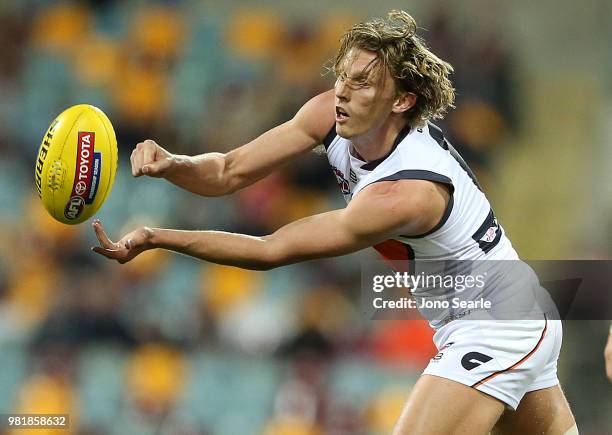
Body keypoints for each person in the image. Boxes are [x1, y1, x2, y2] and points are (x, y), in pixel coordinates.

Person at [92, 10, 578, 435]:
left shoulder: (403, 193)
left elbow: (271, 250)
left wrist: (158, 236)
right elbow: (227, 171)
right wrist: (173, 163)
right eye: (342, 75)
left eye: (362, 82)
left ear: (403, 101)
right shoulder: (332, 114)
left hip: (496, 324)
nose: (342, 91)